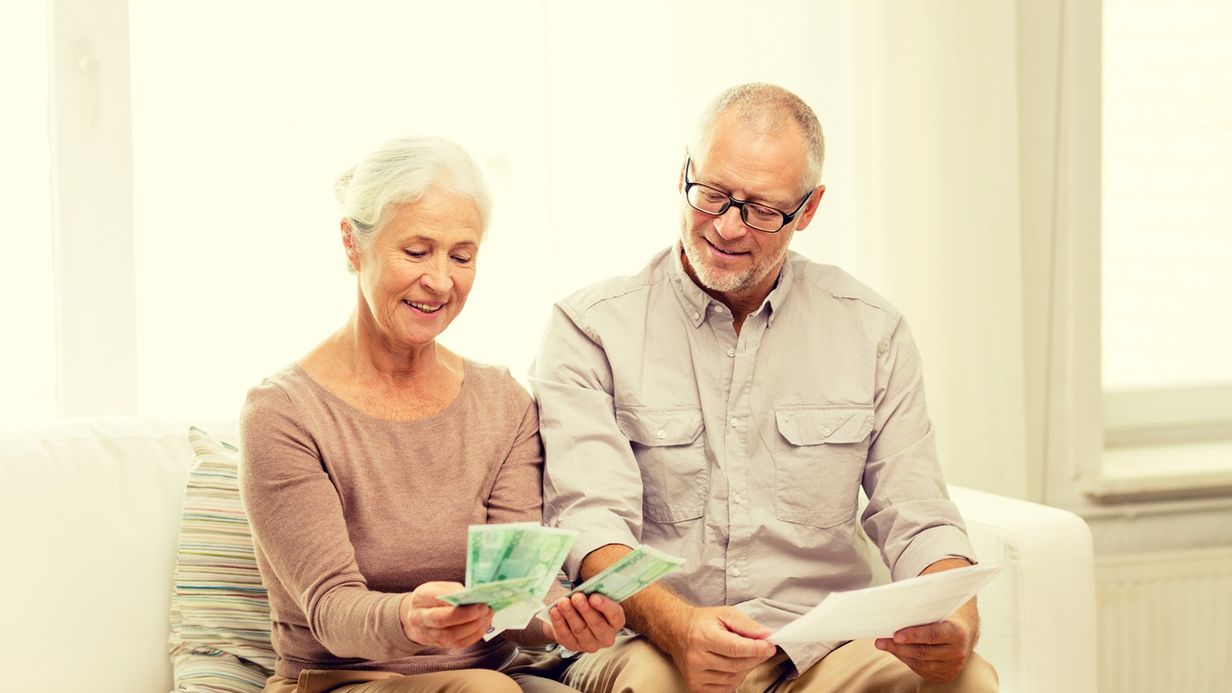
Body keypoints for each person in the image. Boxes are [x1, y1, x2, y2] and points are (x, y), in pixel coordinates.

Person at [530, 84, 999, 692]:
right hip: (653, 642)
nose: (728, 227)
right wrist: (680, 628)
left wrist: (956, 620)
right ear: (683, 171)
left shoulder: (871, 329)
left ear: (808, 209)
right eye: (712, 194)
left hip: (818, 647)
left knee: (966, 680)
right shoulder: (590, 328)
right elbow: (591, 524)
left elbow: (917, 514)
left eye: (762, 209)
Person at [240, 136, 625, 693]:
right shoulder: (284, 412)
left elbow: (516, 595)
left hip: (493, 677)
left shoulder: (502, 402)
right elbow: (330, 610)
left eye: (461, 256)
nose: (441, 281)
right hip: (344, 681)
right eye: (417, 252)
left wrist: (559, 621)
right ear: (352, 243)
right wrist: (409, 619)